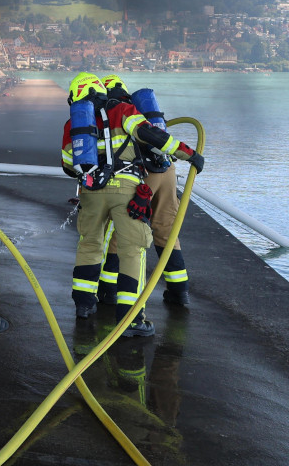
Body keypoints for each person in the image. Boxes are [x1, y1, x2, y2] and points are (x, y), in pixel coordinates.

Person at [61, 73, 204, 337]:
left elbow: (69, 165)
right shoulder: (125, 110)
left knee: (90, 244)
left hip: (92, 191)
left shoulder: (75, 122)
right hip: (128, 188)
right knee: (133, 250)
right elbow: (152, 135)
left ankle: (84, 305)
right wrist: (189, 154)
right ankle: (131, 319)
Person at [96, 75, 192, 307]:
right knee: (167, 231)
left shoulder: (111, 111)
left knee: (121, 232)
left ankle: (108, 292)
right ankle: (179, 293)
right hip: (167, 170)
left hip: (141, 177)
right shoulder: (143, 110)